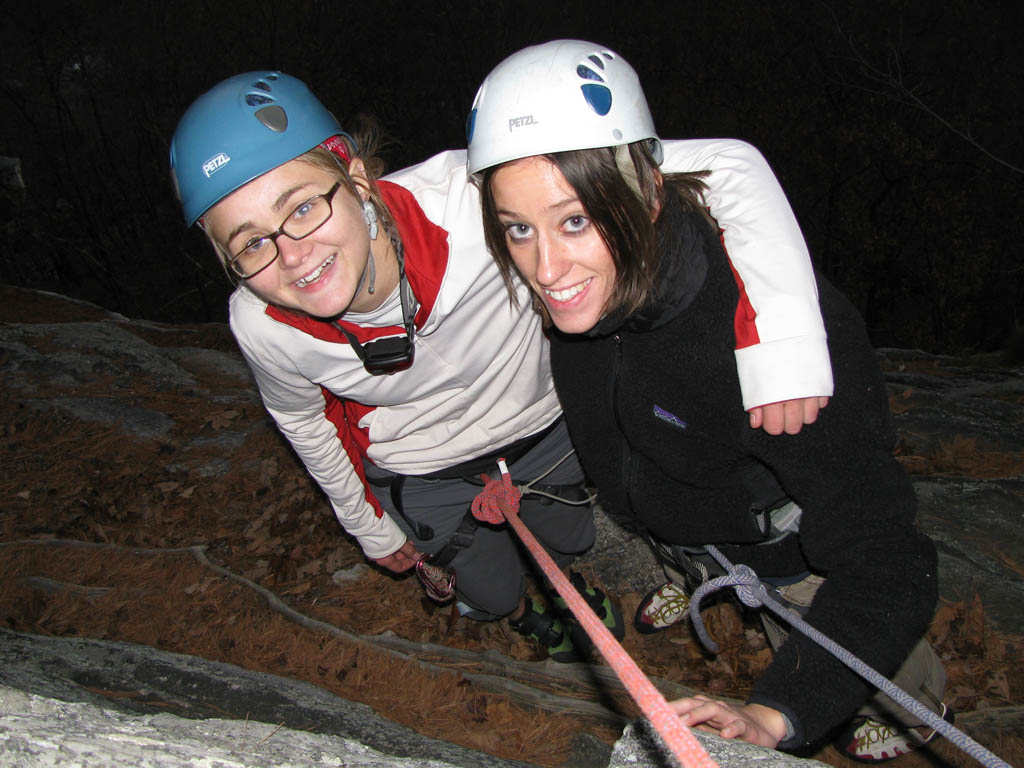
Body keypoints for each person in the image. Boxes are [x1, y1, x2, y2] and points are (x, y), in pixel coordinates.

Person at [168, 70, 831, 664]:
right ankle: (521, 615)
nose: (292, 256)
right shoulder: (261, 324)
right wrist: (367, 526)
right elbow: (301, 415)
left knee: (570, 538)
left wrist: (784, 337)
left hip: (545, 429)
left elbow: (722, 166)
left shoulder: (468, 194)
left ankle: (566, 588)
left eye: (303, 207)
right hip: (421, 467)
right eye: (250, 243)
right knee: (487, 585)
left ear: (358, 179)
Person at [468, 39, 948, 760]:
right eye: (518, 229)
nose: (545, 267)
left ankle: (898, 699)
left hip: (794, 558)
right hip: (683, 520)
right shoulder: (587, 292)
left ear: (649, 193)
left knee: (854, 658)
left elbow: (887, 559)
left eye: (575, 220)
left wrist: (781, 712)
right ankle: (689, 572)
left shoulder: (775, 339)